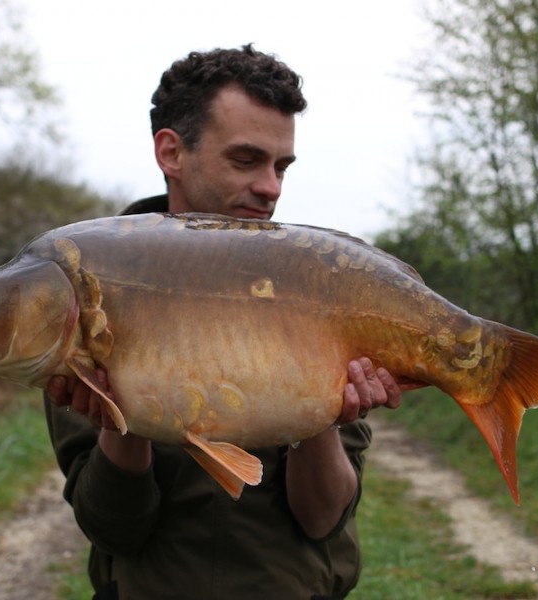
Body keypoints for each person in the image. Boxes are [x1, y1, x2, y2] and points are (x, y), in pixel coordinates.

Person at [44, 45, 401, 600]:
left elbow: (322, 518)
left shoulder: (318, 285)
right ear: (172, 151)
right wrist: (122, 421)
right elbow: (115, 530)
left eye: (281, 166)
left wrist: (321, 418)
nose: (271, 187)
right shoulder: (91, 289)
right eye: (246, 160)